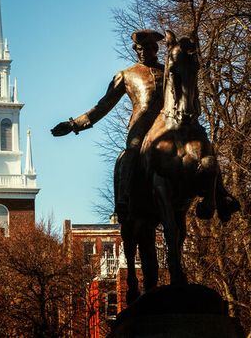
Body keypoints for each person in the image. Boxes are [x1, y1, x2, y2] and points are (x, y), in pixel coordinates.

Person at [51, 29, 237, 222]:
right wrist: (74, 125)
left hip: (171, 122)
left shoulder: (167, 69)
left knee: (203, 141)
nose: (144, 51)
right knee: (132, 150)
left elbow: (184, 89)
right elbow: (103, 106)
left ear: (156, 48)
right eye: (139, 48)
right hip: (142, 125)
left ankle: (221, 195)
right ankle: (123, 200)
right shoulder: (126, 75)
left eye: (148, 47)